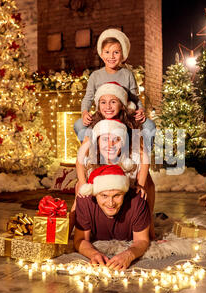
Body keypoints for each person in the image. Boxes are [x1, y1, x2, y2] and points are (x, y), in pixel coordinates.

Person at [70, 82, 156, 239]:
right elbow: (82, 154)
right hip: (102, 163)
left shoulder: (132, 123)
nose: (108, 107)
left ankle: (149, 228)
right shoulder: (94, 124)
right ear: (97, 105)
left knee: (148, 183)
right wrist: (83, 182)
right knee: (79, 186)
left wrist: (140, 185)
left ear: (122, 105)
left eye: (113, 102)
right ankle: (71, 226)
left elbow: (143, 154)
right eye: (103, 102)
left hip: (126, 162)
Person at [74, 28, 156, 149]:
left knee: (150, 126)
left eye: (116, 52)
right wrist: (85, 112)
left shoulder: (127, 74)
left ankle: (142, 160)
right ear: (101, 54)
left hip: (124, 116)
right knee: (79, 125)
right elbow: (88, 98)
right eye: (107, 52)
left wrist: (141, 111)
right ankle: (93, 156)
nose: (111, 56)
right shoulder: (95, 76)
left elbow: (134, 98)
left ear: (122, 54)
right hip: (102, 116)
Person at [74, 164, 150, 270]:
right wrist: (93, 254)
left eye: (117, 195)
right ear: (94, 194)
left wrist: (129, 255)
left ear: (125, 192)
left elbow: (142, 240)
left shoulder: (138, 200)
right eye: (104, 196)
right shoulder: (85, 201)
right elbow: (80, 239)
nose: (111, 203)